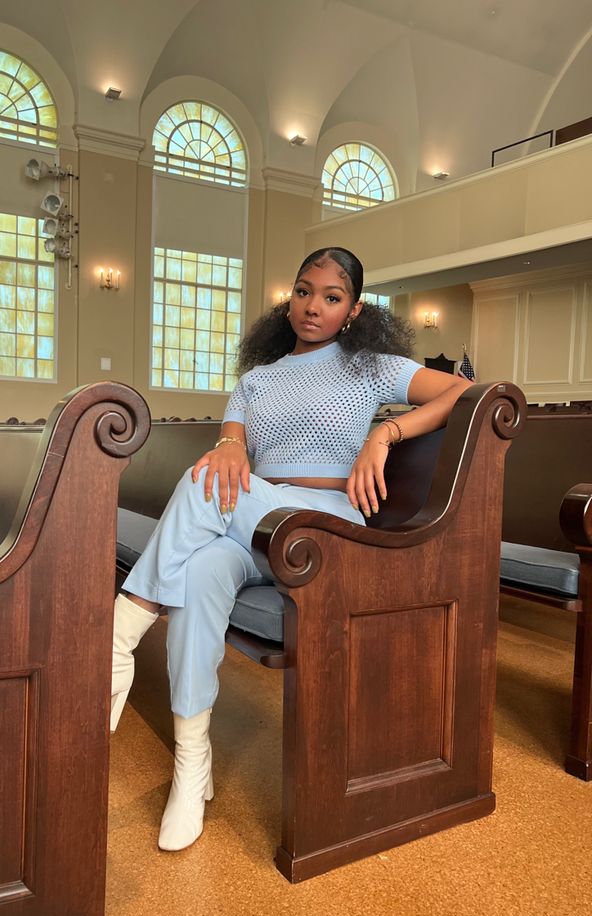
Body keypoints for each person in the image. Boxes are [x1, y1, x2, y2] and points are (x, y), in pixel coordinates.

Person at [110, 246, 471, 852]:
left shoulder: (373, 369)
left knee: (205, 483)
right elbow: (231, 446)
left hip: (323, 528)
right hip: (255, 525)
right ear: (289, 296)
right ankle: (190, 767)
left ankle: (121, 632)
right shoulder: (255, 379)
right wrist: (228, 448)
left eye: (332, 297)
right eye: (305, 291)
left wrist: (386, 432)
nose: (314, 306)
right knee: (199, 572)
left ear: (352, 311)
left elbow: (466, 391)